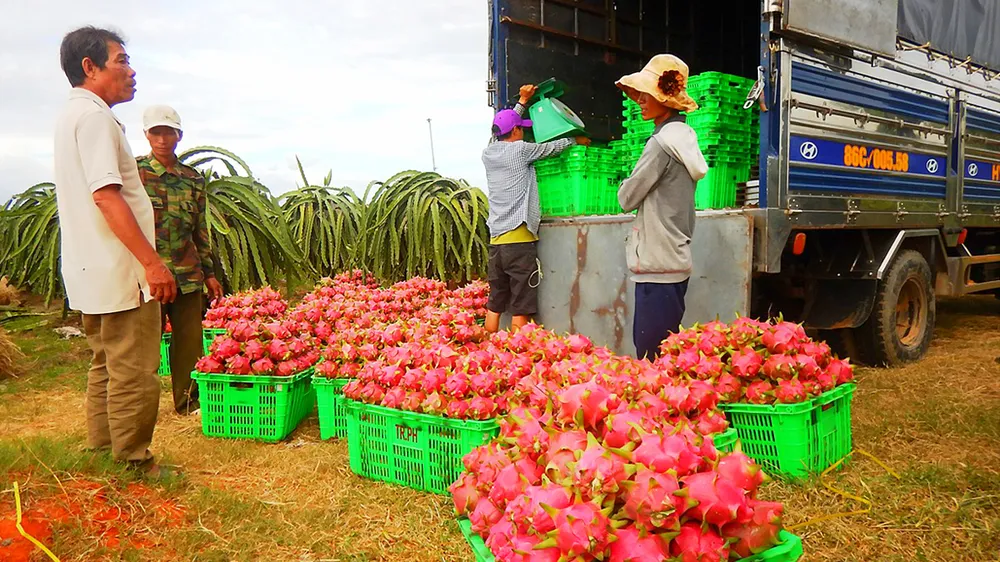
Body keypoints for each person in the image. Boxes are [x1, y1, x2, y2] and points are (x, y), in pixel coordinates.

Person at [53, 26, 176, 477]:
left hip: (91, 269)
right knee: (134, 370)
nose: (131, 69)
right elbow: (107, 196)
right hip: (120, 269)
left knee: (105, 363)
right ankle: (133, 460)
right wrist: (151, 262)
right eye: (121, 60)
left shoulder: (72, 117)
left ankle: (101, 448)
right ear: (90, 67)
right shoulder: (96, 119)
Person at [616, 55, 708, 360]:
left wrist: (624, 184)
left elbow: (627, 198)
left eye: (647, 95)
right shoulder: (683, 139)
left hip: (657, 267)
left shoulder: (660, 145)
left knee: (650, 359)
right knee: (666, 353)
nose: (640, 100)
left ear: (665, 100)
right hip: (674, 260)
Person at [137, 105, 224, 415]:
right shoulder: (134, 174)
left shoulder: (192, 179)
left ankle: (188, 402)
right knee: (145, 344)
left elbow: (201, 229)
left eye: (168, 132)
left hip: (188, 274)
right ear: (146, 135)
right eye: (156, 132)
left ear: (179, 136)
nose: (162, 139)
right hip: (148, 275)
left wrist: (209, 273)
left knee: (189, 342)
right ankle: (139, 406)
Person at [481, 84, 590, 333]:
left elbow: (498, 131)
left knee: (496, 298)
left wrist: (523, 101)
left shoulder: (488, 153)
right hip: (519, 241)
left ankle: (486, 345)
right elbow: (551, 148)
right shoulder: (521, 150)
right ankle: (518, 353)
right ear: (517, 131)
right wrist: (575, 139)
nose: (524, 134)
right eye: (521, 130)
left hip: (497, 241)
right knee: (521, 300)